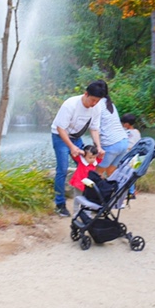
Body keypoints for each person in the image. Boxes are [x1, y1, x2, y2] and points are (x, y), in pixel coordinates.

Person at [51, 81, 105, 217]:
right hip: (60, 136)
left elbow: (94, 128)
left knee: (89, 166)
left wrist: (98, 147)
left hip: (76, 137)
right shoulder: (71, 104)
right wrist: (71, 147)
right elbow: (60, 128)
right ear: (86, 94)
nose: (94, 104)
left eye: (97, 101)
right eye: (92, 100)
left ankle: (89, 199)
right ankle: (60, 204)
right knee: (62, 169)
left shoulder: (97, 108)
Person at [95, 84, 130, 177]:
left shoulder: (96, 104)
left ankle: (99, 192)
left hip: (111, 144)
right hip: (124, 141)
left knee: (98, 173)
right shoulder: (110, 103)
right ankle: (118, 191)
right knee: (111, 173)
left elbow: (95, 128)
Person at [121, 114, 141, 200]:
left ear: (126, 124)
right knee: (131, 174)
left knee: (125, 173)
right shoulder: (137, 132)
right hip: (137, 156)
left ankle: (130, 192)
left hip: (128, 155)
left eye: (123, 123)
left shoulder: (124, 132)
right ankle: (131, 192)